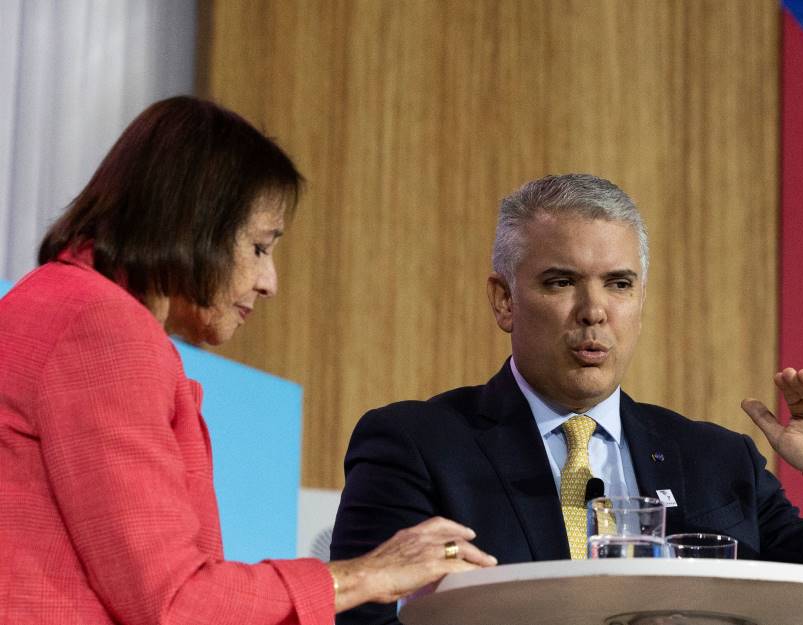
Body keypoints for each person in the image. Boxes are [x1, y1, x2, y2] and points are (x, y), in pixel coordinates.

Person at [0, 96, 495, 625]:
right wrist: (364, 576)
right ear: (192, 224)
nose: (269, 282)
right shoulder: (102, 329)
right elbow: (173, 603)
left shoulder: (56, 303)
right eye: (260, 247)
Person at [331, 173, 803, 625]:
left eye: (619, 284)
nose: (594, 310)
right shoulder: (418, 444)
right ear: (504, 300)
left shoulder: (719, 462)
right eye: (560, 282)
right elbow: (360, 620)